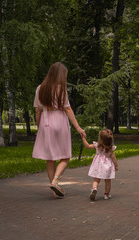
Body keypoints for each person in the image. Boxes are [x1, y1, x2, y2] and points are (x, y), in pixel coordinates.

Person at [32, 62, 86, 198]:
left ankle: (54, 188)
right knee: (65, 155)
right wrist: (78, 127)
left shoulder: (40, 88)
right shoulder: (61, 89)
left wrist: (40, 128)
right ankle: (55, 181)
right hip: (60, 122)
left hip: (46, 123)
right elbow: (67, 109)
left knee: (50, 159)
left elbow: (38, 111)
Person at [82, 129, 118, 201]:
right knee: (107, 181)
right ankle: (106, 195)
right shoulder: (110, 148)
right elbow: (113, 158)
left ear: (100, 138)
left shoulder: (97, 145)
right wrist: (116, 165)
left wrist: (83, 138)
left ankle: (94, 189)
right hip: (107, 166)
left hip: (98, 165)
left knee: (96, 179)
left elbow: (88, 146)